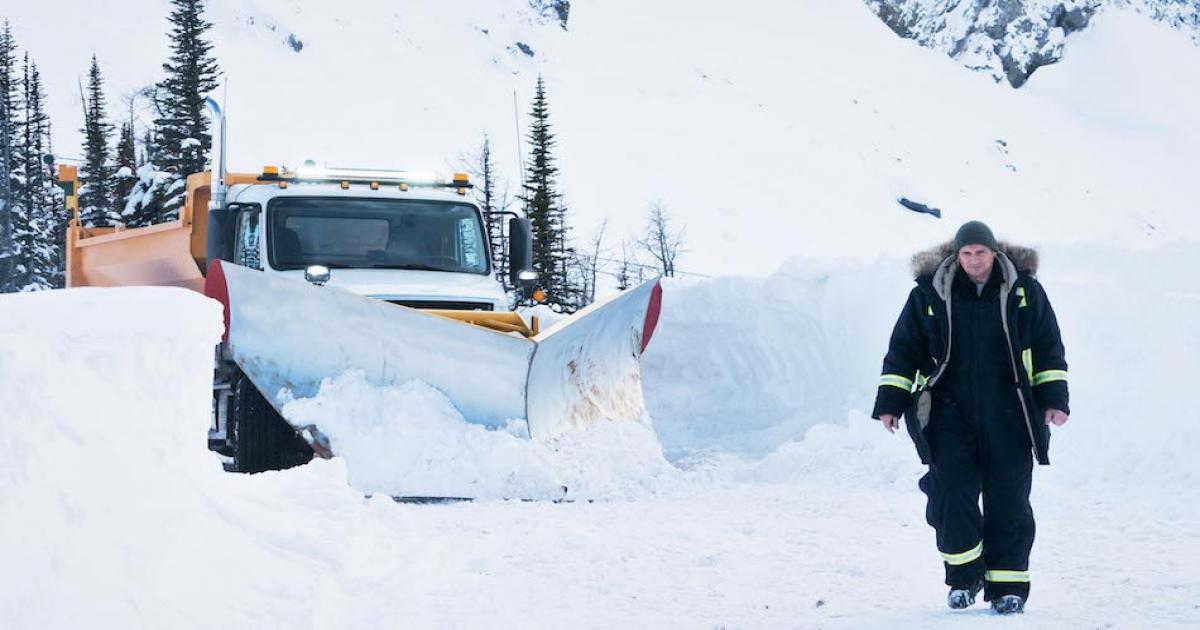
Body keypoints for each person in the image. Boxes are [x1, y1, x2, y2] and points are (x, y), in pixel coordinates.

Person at [872, 221, 1070, 615]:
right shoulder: (929, 294)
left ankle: (1008, 587)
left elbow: (1049, 347)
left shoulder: (1024, 292)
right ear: (956, 256)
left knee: (1009, 499)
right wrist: (890, 402)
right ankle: (964, 577)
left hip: (1010, 411)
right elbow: (903, 349)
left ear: (994, 254)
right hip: (948, 412)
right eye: (966, 254)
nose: (974, 261)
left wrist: (1054, 399)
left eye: (980, 253)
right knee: (950, 492)